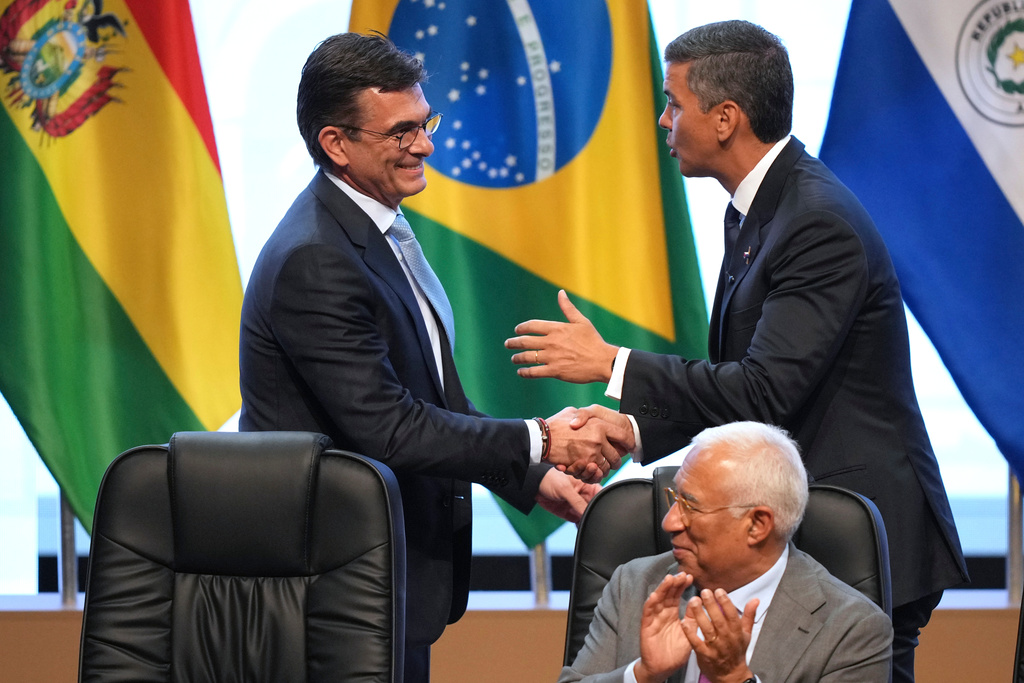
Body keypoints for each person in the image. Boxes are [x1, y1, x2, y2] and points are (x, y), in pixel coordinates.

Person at [505, 20, 966, 683]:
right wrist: (633, 425)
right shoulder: (760, 209)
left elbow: (764, 391)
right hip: (786, 532)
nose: (663, 120)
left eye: (673, 103)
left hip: (862, 537)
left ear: (725, 118)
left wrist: (614, 364)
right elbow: (741, 389)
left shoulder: (816, 222)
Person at [238, 32, 631, 682]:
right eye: (401, 133)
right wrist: (542, 438)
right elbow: (391, 427)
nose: (425, 145)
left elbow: (433, 399)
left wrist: (533, 476)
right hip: (329, 593)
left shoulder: (372, 226)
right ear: (336, 143)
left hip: (382, 579)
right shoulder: (317, 259)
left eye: (426, 123)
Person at [559, 421, 893, 683]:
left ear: (757, 525)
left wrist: (735, 679)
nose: (669, 522)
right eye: (674, 499)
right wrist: (643, 675)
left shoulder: (852, 628)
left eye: (689, 506)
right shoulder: (635, 584)